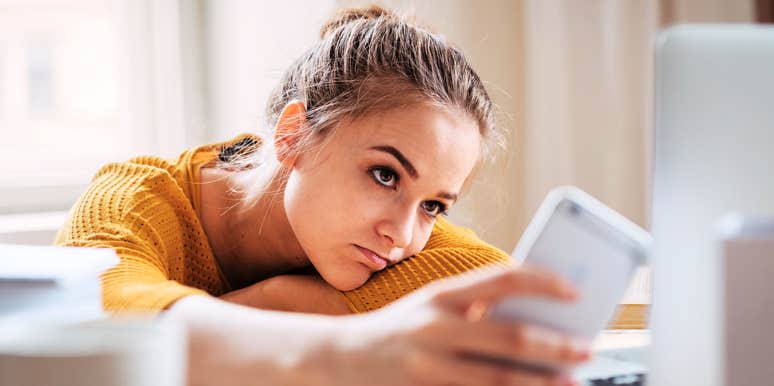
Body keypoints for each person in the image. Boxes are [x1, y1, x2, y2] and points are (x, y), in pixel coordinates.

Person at [56, 5, 590, 385]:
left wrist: (278, 299)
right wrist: (351, 347)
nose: (403, 235)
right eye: (385, 175)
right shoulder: (133, 199)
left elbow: (485, 283)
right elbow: (97, 323)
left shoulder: (385, 234)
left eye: (434, 205)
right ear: (292, 137)